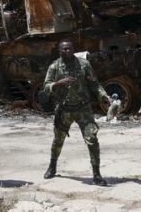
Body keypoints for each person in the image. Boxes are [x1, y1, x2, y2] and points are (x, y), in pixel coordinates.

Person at [42, 39, 113, 186]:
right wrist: (58, 83)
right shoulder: (54, 66)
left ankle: (97, 174)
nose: (66, 51)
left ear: (73, 49)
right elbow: (46, 86)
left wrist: (103, 96)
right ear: (59, 51)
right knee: (58, 140)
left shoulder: (84, 64)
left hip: (83, 109)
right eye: (63, 49)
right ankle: (52, 166)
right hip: (64, 109)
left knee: (92, 140)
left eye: (69, 48)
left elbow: (94, 83)